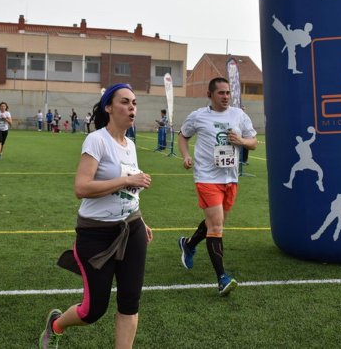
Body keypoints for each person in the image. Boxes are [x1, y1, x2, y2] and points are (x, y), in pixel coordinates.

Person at [40, 83, 153, 349]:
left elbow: (130, 193)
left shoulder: (130, 144)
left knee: (130, 303)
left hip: (131, 229)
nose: (131, 107)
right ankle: (56, 325)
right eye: (125, 102)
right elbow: (82, 188)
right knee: (93, 311)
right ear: (109, 107)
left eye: (134, 103)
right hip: (96, 235)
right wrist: (126, 181)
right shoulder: (96, 140)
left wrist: (141, 220)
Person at [177, 77, 258, 296]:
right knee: (216, 227)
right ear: (210, 95)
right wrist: (185, 156)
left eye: (227, 93)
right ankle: (222, 278)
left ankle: (189, 244)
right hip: (206, 177)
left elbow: (254, 142)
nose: (225, 97)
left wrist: (241, 141)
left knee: (216, 222)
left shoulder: (239, 115)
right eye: (221, 93)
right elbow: (183, 136)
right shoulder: (198, 116)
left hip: (230, 179)